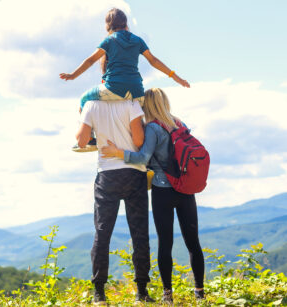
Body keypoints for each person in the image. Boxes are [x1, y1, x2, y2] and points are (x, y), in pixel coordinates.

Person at [101, 88, 205, 303]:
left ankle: (168, 295)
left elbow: (142, 157)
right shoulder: (179, 123)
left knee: (165, 243)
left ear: (146, 105)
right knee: (193, 242)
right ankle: (199, 292)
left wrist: (117, 153)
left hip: (162, 190)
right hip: (185, 189)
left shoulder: (152, 128)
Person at [60, 8, 190, 152]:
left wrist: (73, 75)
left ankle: (90, 139)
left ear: (108, 24)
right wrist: (176, 77)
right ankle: (147, 153)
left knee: (84, 100)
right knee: (139, 130)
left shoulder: (110, 40)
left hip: (113, 88)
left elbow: (91, 61)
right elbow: (153, 60)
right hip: (137, 92)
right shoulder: (137, 40)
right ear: (125, 23)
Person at [76, 97, 154, 304]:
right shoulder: (132, 104)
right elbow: (138, 142)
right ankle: (141, 292)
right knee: (139, 233)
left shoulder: (91, 104)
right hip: (133, 174)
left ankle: (99, 293)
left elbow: (81, 141)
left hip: (107, 175)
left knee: (102, 232)